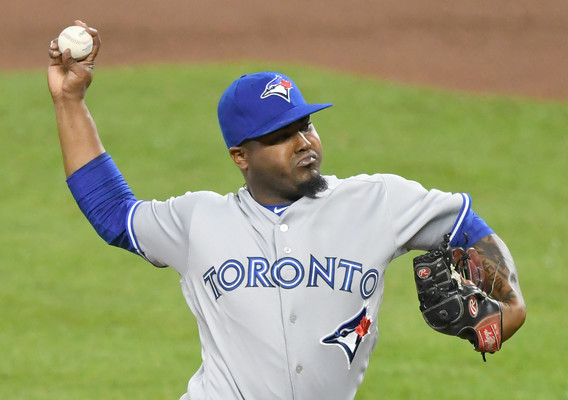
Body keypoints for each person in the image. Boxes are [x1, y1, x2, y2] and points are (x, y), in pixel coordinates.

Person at [48, 21, 526, 400]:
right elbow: (113, 212)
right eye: (280, 136)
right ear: (241, 156)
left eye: (307, 125)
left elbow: (467, 226)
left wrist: (510, 306)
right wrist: (69, 100)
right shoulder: (198, 221)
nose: (304, 143)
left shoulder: (376, 203)